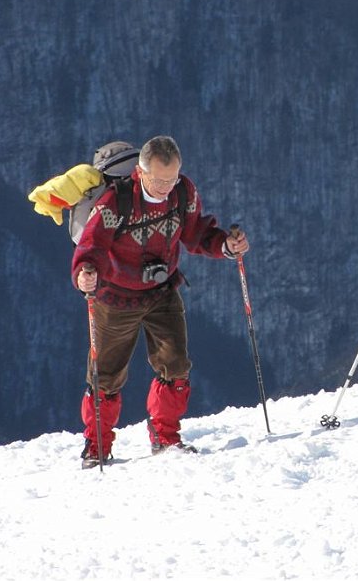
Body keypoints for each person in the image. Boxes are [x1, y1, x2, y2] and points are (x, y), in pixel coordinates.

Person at [72, 135, 250, 468]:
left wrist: (225, 244)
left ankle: (165, 437)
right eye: (160, 180)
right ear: (141, 171)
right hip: (115, 297)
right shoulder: (116, 202)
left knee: (176, 365)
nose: (167, 186)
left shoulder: (183, 192)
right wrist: (85, 271)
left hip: (162, 291)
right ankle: (97, 446)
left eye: (173, 177)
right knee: (105, 375)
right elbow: (91, 245)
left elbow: (196, 232)